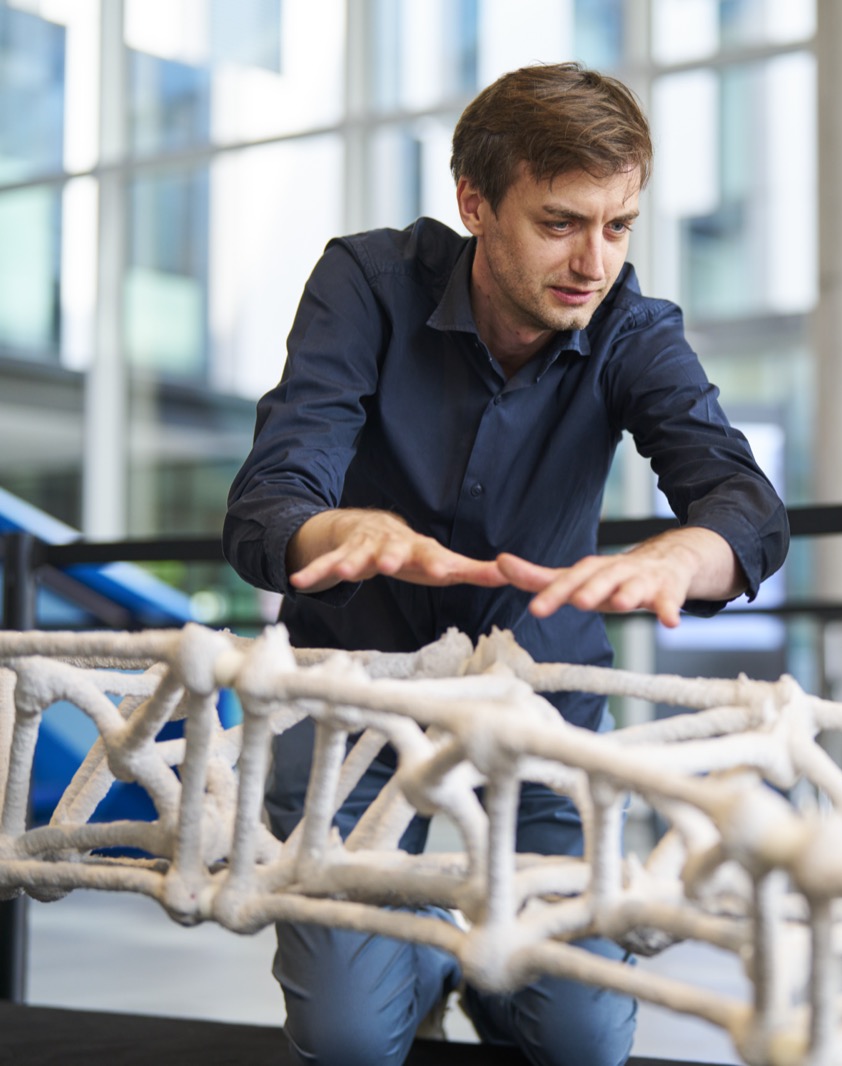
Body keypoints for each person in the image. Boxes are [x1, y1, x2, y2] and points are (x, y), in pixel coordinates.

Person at [224, 62, 788, 1066]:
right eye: (562, 222)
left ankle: (472, 964)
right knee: (352, 1042)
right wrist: (334, 534)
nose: (594, 260)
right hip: (352, 696)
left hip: (540, 706)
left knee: (580, 1043)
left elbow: (743, 505)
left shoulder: (631, 329)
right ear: (474, 203)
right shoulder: (365, 282)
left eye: (619, 227)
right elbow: (269, 501)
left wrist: (683, 551)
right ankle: (432, 964)